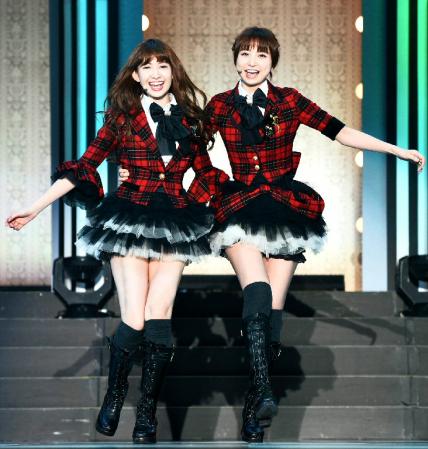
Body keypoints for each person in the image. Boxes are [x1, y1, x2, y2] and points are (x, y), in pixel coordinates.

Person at [118, 28, 426, 443]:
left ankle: (253, 409)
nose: (252, 62)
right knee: (258, 290)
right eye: (245, 54)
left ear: (272, 62)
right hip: (239, 208)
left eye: (261, 55)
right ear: (235, 60)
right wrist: (134, 170)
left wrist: (396, 150)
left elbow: (338, 131)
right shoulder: (220, 105)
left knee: (272, 320)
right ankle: (263, 391)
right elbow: (185, 143)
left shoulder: (289, 101)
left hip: (284, 210)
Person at [5, 38, 228, 444]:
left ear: (173, 71)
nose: (156, 74)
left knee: (159, 315)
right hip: (129, 216)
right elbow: (84, 166)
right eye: (147, 67)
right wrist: (35, 208)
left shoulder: (191, 120)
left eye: (163, 65)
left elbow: (207, 173)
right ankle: (115, 393)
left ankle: (146, 415)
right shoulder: (122, 119)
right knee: (136, 318)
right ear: (136, 75)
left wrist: (221, 204)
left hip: (176, 221)